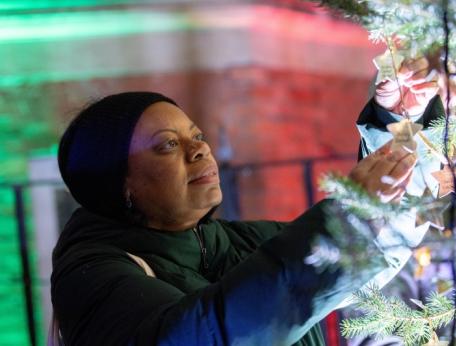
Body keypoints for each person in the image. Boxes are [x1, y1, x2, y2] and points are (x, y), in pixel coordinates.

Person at [50, 86, 426, 346]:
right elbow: (198, 336)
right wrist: (346, 221)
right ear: (120, 182)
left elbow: (382, 244)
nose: (199, 149)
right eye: (167, 144)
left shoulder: (238, 242)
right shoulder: (93, 274)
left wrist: (400, 118)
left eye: (196, 136)